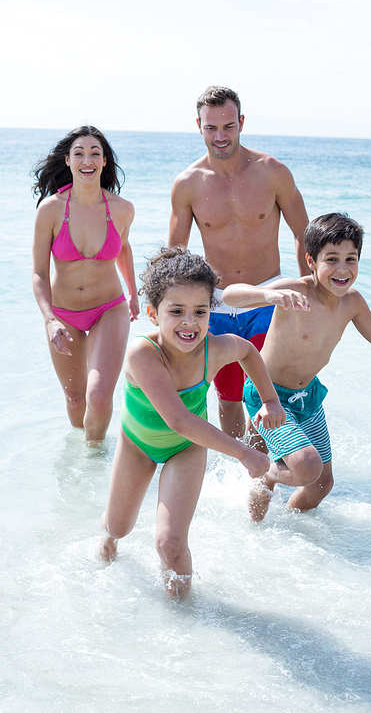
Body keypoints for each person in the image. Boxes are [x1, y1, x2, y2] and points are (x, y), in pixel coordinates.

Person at [100, 246, 285, 598]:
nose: (190, 322)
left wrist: (270, 399)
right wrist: (244, 453)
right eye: (176, 311)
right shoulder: (143, 353)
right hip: (138, 446)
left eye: (200, 311)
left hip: (185, 450)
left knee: (169, 542)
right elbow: (179, 419)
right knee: (118, 526)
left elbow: (247, 351)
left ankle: (183, 613)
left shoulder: (214, 349)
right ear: (153, 314)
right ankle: (107, 538)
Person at [222, 212, 371, 521]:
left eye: (350, 259)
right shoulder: (297, 291)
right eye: (332, 259)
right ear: (311, 261)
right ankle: (268, 477)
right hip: (268, 394)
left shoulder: (352, 302)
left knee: (321, 485)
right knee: (306, 467)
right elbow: (229, 295)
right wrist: (269, 294)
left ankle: (280, 536)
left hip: (308, 397)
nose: (342, 269)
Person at [169, 85, 310, 439]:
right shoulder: (188, 184)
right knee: (228, 398)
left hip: (267, 297)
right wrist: (166, 308)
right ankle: (241, 469)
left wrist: (311, 289)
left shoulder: (272, 171)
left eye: (228, 126)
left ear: (242, 122)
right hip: (216, 304)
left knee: (266, 393)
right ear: (198, 126)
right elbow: (175, 253)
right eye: (211, 127)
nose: (220, 136)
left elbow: (303, 234)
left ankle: (264, 476)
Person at [32, 126, 140, 444]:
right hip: (63, 314)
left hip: (108, 308)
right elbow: (38, 273)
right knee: (76, 399)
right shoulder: (51, 210)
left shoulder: (121, 209)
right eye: (79, 153)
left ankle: (94, 456)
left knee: (99, 396)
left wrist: (133, 293)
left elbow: (123, 247)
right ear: (68, 160)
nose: (87, 160)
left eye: (95, 153)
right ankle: (80, 461)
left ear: (105, 161)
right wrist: (49, 319)